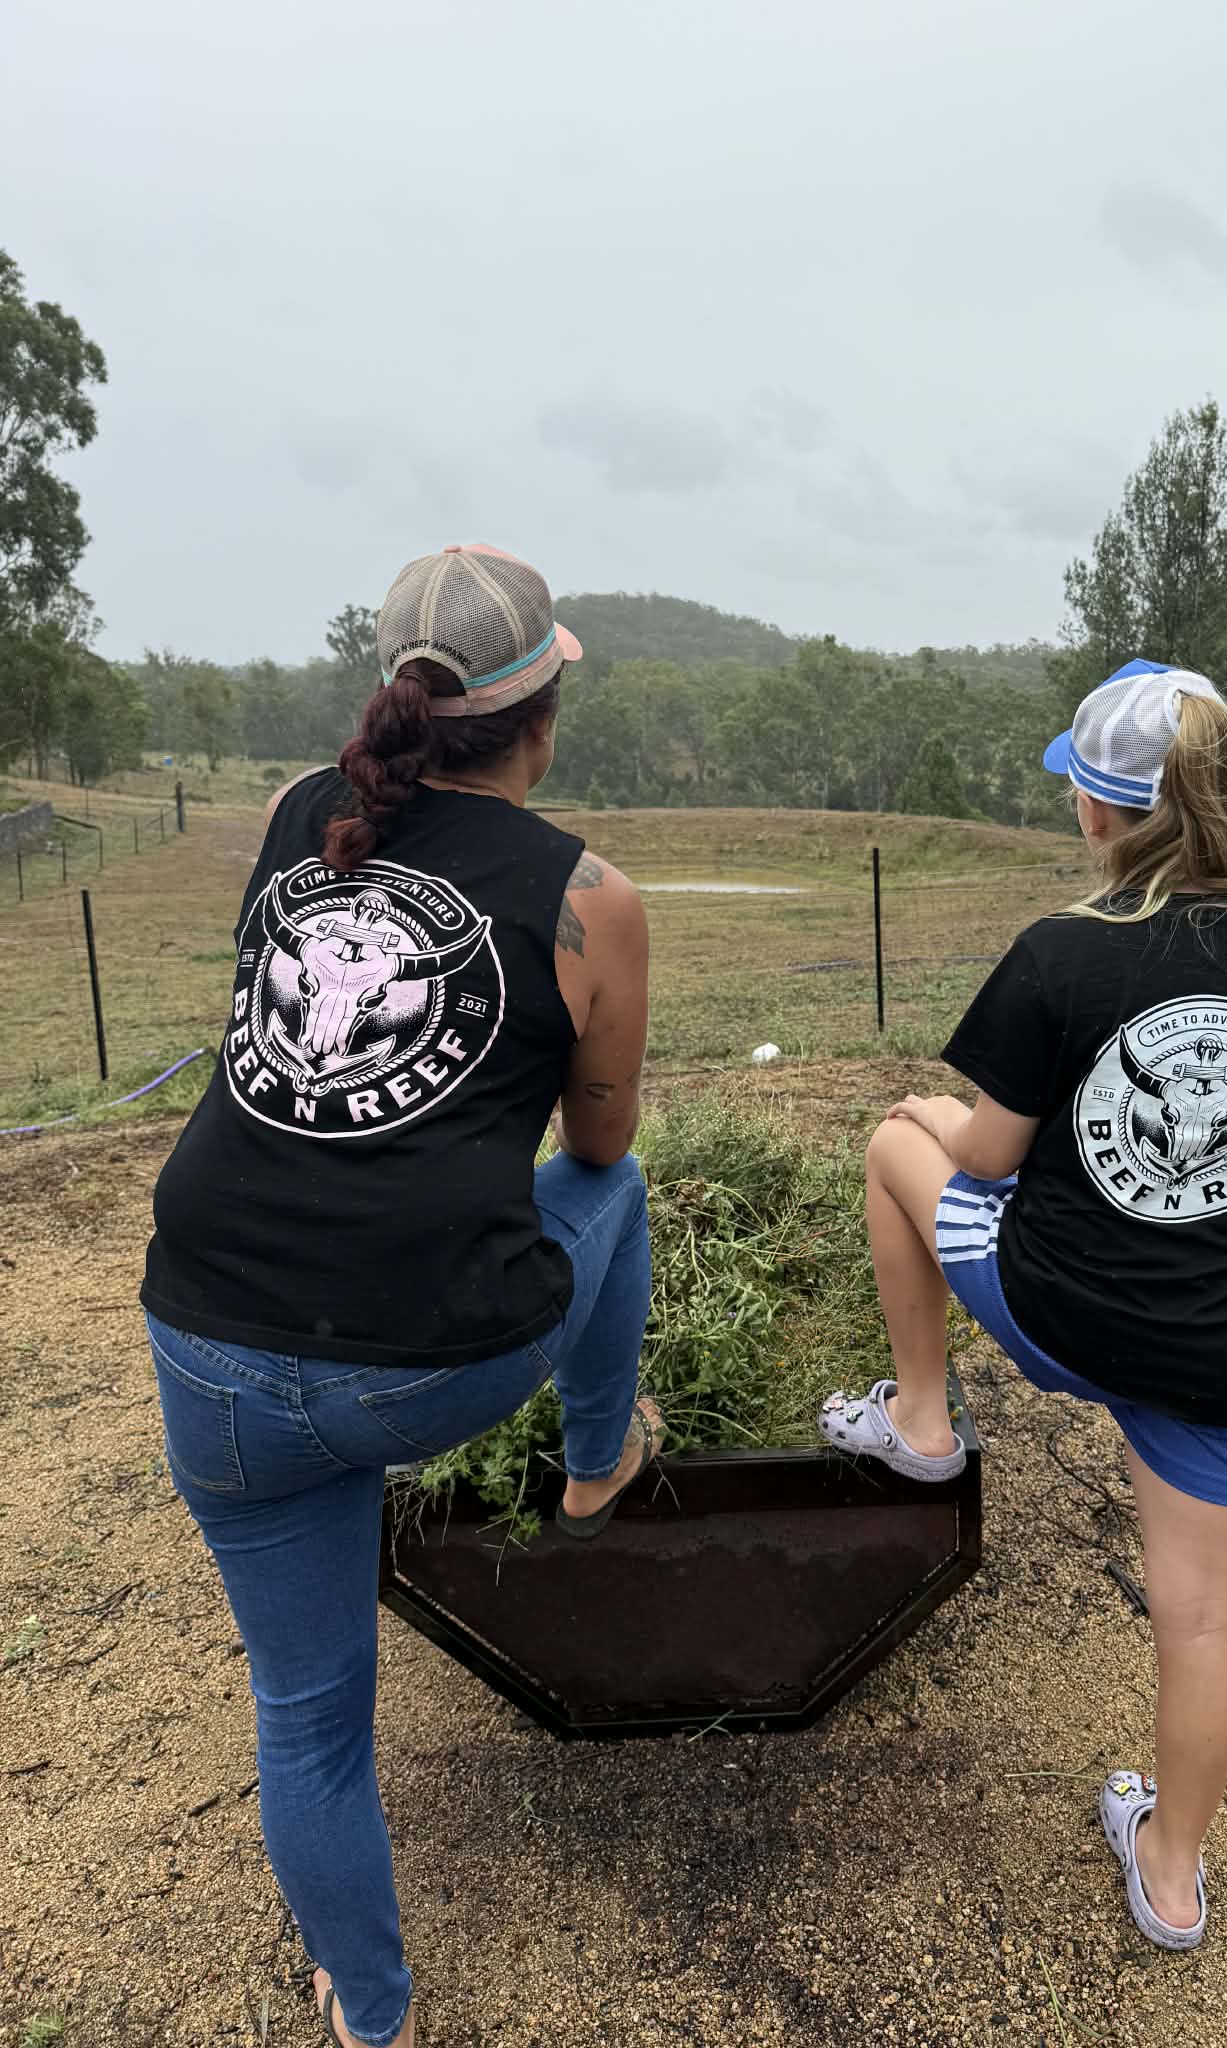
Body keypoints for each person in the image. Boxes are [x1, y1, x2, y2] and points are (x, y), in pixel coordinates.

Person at [140, 544, 659, 2048]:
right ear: (542, 712)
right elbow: (599, 1144)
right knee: (613, 1199)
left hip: (210, 1337)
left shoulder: (308, 812)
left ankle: (371, 2012)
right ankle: (595, 1459)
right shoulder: (589, 896)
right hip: (431, 1359)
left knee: (308, 1716)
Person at [818, 660, 1227, 1952]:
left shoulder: (1064, 953)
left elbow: (988, 1158)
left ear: (1101, 814)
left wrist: (936, 1112)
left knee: (903, 1143)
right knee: (1205, 1614)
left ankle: (926, 1421)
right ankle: (1171, 1880)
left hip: (1059, 1311)